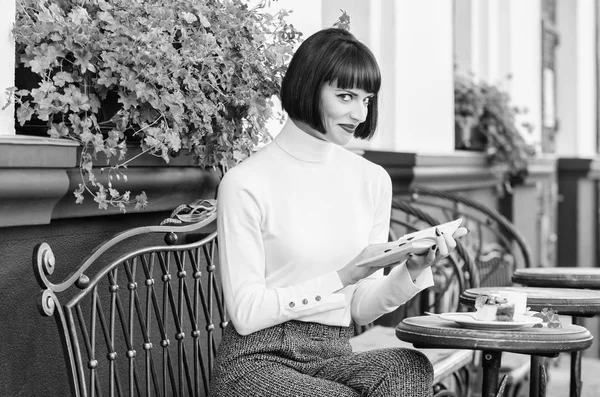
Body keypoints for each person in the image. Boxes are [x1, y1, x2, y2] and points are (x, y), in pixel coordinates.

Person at [210, 28, 466, 397]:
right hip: (256, 360)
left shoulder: (372, 180)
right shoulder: (246, 182)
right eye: (344, 96)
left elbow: (360, 307)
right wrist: (343, 275)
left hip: (334, 353)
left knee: (407, 368)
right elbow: (246, 312)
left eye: (366, 99)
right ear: (308, 87)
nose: (359, 113)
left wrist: (412, 269)